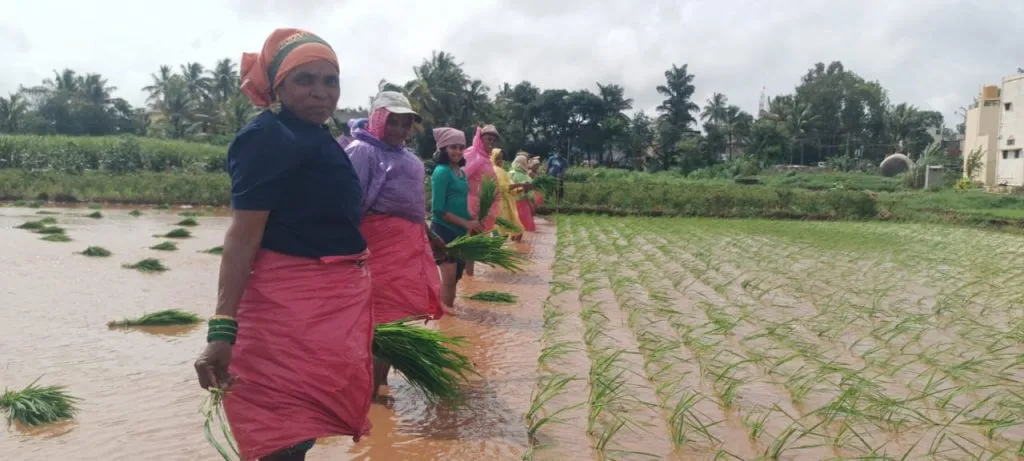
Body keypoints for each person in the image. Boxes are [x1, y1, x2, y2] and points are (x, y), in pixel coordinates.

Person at [192, 28, 373, 461]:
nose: (320, 92)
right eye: (304, 80)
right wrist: (222, 329)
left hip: (323, 315)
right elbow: (243, 234)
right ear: (278, 86)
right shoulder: (268, 137)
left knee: (299, 432)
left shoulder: (318, 137)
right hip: (284, 315)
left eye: (330, 80)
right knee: (279, 439)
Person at [346, 91, 446, 396]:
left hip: (406, 247)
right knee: (378, 319)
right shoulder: (362, 150)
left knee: (395, 319)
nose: (400, 131)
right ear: (378, 119)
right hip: (376, 246)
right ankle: (367, 388)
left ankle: (379, 383)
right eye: (394, 123)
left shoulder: (408, 157)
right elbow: (348, 204)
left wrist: (429, 235)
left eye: (406, 124)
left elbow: (414, 205)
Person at [430, 127, 483, 307]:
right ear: (444, 149)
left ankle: (447, 315)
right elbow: (438, 209)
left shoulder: (460, 173)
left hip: (459, 231)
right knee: (449, 279)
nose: (458, 152)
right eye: (453, 147)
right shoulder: (441, 172)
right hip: (443, 231)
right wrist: (466, 222)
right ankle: (446, 320)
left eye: (461, 147)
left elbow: (460, 202)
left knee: (457, 276)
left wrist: (474, 219)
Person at [461, 124, 501, 276]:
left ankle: (468, 277)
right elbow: (461, 177)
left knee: (473, 243)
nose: (491, 144)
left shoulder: (485, 158)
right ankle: (467, 276)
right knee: (470, 243)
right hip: (470, 206)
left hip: (482, 207)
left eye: (493, 141)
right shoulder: (474, 156)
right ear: (480, 139)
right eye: (488, 139)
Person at [491, 148, 524, 240]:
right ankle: (494, 247)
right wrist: (520, 186)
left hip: (503, 205)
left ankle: (494, 247)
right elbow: (505, 187)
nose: (500, 161)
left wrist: (519, 188)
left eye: (501, 158)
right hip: (498, 204)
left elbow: (509, 187)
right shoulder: (495, 171)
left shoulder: (502, 172)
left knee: (499, 229)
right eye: (498, 158)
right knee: (498, 229)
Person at [509, 153, 536, 235]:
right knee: (526, 228)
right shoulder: (527, 177)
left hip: (511, 203)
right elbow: (530, 193)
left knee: (512, 227)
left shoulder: (510, 174)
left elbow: (507, 188)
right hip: (523, 203)